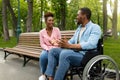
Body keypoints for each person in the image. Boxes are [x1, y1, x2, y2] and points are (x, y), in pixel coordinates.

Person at [45, 7, 101, 80]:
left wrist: (69, 46)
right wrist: (62, 43)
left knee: (65, 54)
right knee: (53, 51)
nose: (76, 17)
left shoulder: (95, 27)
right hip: (75, 52)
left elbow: (91, 44)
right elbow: (72, 41)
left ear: (84, 16)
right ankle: (50, 77)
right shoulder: (79, 28)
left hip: (85, 55)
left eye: (78, 15)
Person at [39, 12, 61, 80]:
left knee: (52, 56)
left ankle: (50, 76)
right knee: (43, 55)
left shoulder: (57, 30)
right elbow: (42, 44)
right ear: (46, 22)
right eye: (49, 20)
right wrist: (47, 49)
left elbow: (60, 41)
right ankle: (43, 74)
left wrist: (54, 43)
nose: (51, 22)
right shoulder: (41, 32)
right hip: (47, 49)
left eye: (52, 20)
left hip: (56, 49)